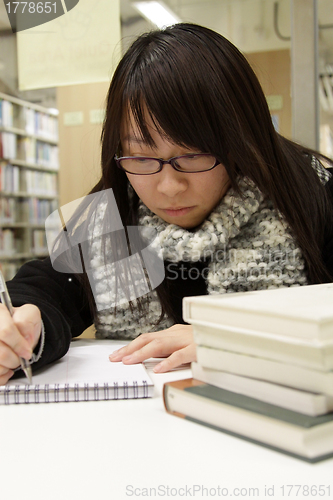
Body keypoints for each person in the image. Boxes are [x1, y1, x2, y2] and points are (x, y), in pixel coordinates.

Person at [1, 23, 333, 386]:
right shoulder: (112, 217)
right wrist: (21, 325)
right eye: (141, 158)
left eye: (192, 155)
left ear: (241, 140)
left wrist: (235, 340)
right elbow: (50, 285)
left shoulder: (314, 196)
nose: (169, 186)